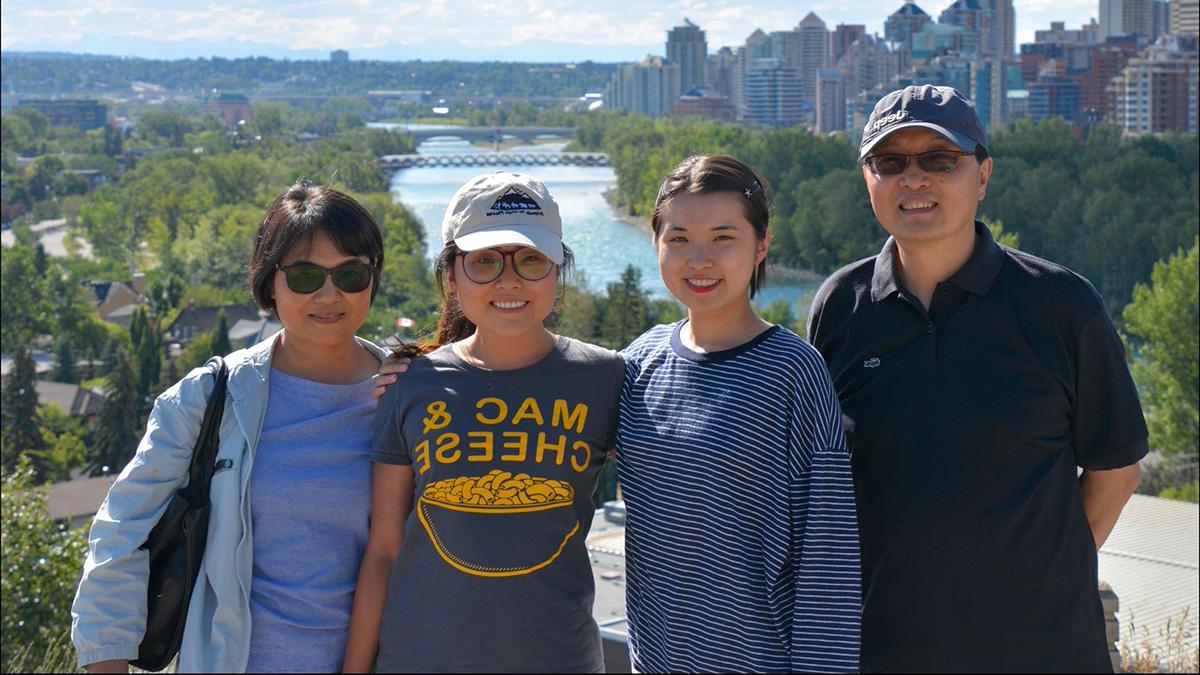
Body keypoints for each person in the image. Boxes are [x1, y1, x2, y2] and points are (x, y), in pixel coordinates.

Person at [807, 85, 1146, 672]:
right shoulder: (840, 306)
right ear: (868, 179)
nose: (914, 179)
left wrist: (1039, 577)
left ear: (982, 174)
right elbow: (821, 477)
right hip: (884, 650)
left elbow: (1115, 471)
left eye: (940, 160)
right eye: (891, 163)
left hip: (1043, 652)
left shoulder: (1061, 305)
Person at [71, 182, 389, 673]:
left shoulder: (408, 397)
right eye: (305, 276)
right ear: (269, 282)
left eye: (351, 274)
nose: (330, 294)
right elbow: (119, 537)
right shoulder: (209, 398)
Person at [342, 172, 624, 673]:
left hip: (558, 659)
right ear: (452, 275)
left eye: (531, 259)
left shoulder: (604, 378)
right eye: (485, 262)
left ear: (558, 270)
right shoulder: (409, 384)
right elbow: (384, 550)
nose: (509, 280)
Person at [616, 154, 861, 673]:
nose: (698, 259)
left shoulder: (792, 370)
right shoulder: (640, 360)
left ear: (761, 245)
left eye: (723, 238)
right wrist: (410, 374)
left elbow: (828, 550)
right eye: (678, 239)